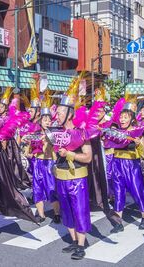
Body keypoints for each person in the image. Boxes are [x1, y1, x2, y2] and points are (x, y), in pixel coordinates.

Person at [53, 77, 92, 260]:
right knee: (66, 211)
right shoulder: (56, 133)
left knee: (80, 210)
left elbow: (88, 157)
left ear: (70, 114)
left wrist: (70, 155)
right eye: (57, 112)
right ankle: (74, 241)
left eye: (60, 112)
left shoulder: (81, 132)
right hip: (61, 178)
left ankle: (81, 245)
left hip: (77, 178)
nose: (57, 115)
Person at [107, 97, 144, 233]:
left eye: (126, 117)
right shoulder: (116, 132)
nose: (122, 120)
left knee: (137, 190)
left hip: (132, 166)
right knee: (118, 192)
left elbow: (143, 153)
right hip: (117, 164)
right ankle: (119, 222)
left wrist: (138, 144)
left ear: (132, 119)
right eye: (121, 117)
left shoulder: (137, 133)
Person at [30, 92, 61, 224]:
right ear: (40, 121)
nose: (47, 122)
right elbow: (30, 151)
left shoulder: (55, 133)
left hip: (49, 163)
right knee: (37, 188)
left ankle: (57, 213)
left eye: (49, 120)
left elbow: (54, 152)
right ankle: (41, 214)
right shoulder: (35, 133)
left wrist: (48, 141)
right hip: (37, 162)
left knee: (52, 188)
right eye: (45, 119)